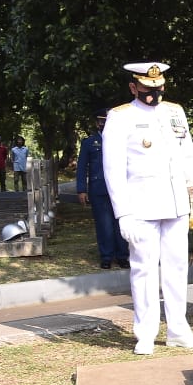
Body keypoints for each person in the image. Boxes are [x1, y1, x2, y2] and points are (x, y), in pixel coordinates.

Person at [102, 62, 193, 355]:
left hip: (175, 204)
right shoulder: (120, 117)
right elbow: (113, 170)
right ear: (134, 87)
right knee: (144, 270)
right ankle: (145, 332)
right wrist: (123, 212)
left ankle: (178, 329)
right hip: (141, 206)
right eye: (148, 89)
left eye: (158, 87)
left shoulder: (175, 112)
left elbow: (188, 158)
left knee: (176, 269)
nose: (154, 93)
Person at [76, 108, 130, 269]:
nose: (103, 123)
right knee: (103, 224)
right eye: (100, 120)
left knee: (121, 222)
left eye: (106, 120)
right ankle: (106, 257)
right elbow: (81, 168)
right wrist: (81, 190)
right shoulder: (89, 143)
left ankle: (122, 256)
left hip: (121, 188)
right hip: (99, 189)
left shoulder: (123, 141)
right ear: (96, 122)